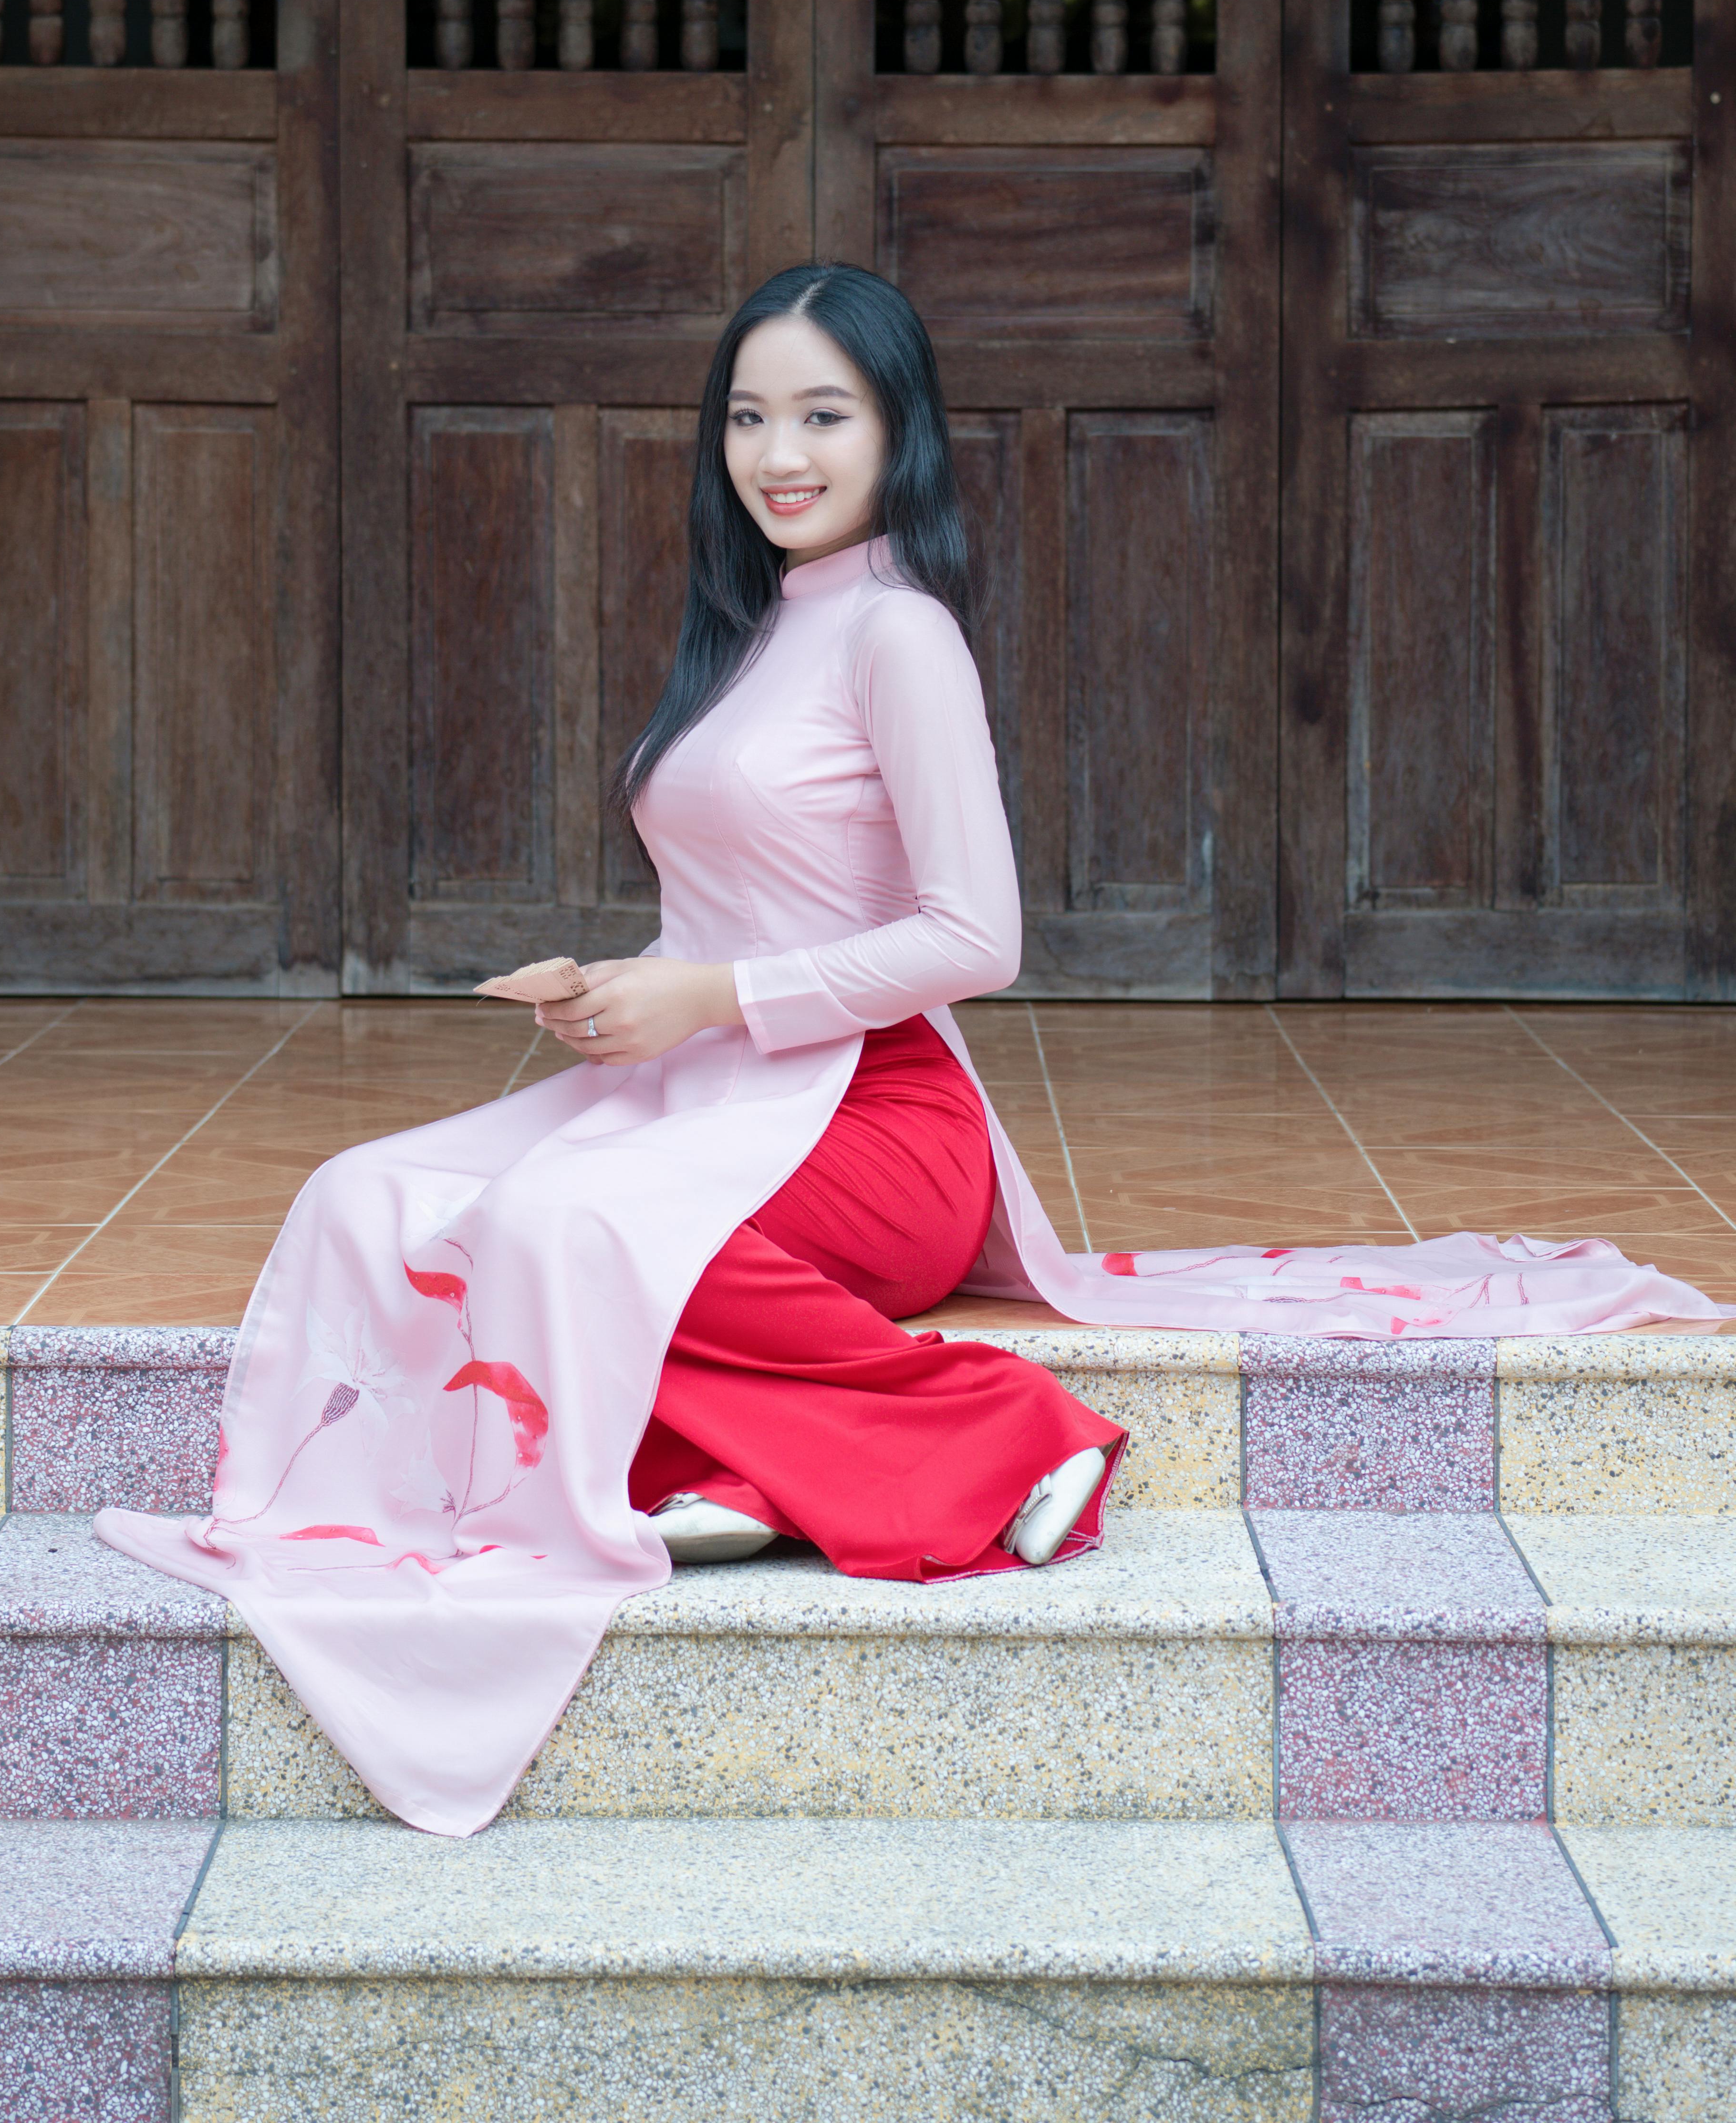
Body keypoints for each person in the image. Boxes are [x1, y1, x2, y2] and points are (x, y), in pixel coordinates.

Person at [97, 262, 1725, 1837]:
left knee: (556, 1230)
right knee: (367, 1198)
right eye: (749, 418)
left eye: (825, 417)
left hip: (877, 1120)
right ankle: (752, 1470)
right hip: (695, 1088)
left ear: (898, 436)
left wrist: (714, 1002)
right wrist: (619, 989)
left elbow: (976, 939)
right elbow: (724, 917)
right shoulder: (747, 637)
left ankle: (1011, 1435)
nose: (781, 456)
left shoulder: (899, 636)